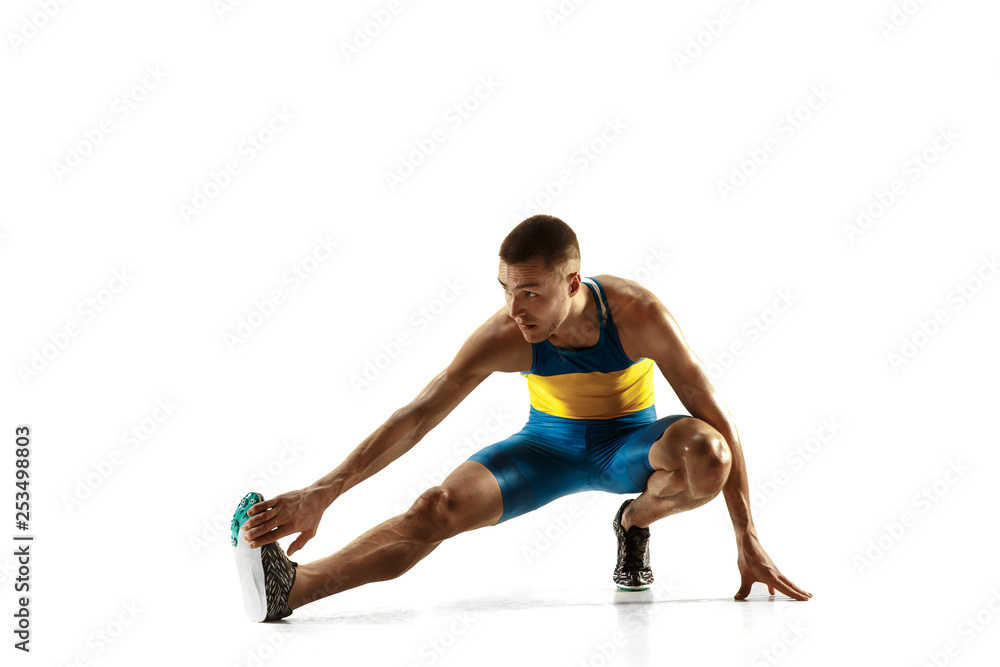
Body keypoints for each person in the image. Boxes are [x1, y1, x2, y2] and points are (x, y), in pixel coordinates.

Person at [231, 214, 812, 622]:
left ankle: (635, 521)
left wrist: (747, 537)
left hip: (634, 445)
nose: (515, 308)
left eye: (531, 292)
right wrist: (324, 491)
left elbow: (719, 418)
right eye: (506, 289)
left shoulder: (638, 314)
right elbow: (415, 416)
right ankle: (293, 589)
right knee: (436, 508)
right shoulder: (506, 335)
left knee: (706, 452)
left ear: (573, 283)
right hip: (548, 449)